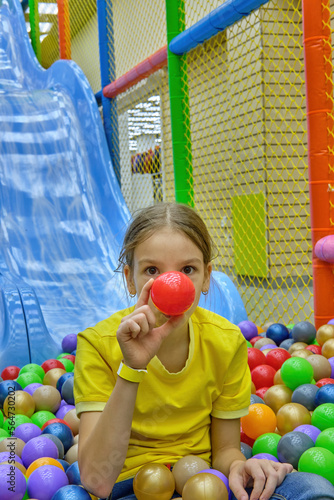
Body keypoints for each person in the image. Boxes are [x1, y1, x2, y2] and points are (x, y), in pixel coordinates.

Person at [74, 202, 334, 500]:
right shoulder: (97, 343)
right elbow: (96, 481)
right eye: (151, 270)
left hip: (208, 483)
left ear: (207, 277)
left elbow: (225, 450)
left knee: (314, 489)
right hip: (131, 488)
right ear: (129, 279)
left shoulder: (225, 341)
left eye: (187, 269)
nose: (172, 285)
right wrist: (132, 367)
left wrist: (240, 466)